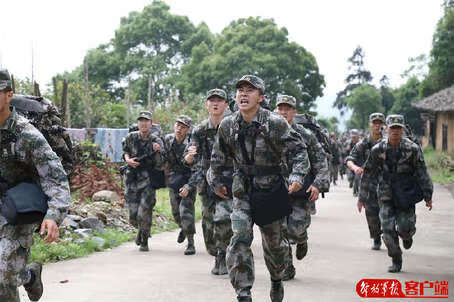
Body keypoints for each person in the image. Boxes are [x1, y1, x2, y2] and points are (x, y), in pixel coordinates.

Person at [209, 75, 310, 302]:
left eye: (250, 90)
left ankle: (276, 279)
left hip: (271, 189)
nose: (244, 94)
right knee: (240, 237)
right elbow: (216, 159)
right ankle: (243, 292)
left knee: (274, 245)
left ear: (261, 97)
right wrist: (214, 181)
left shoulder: (275, 123)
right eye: (240, 90)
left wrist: (297, 175)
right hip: (242, 191)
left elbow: (299, 152)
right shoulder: (228, 125)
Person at [0, 69, 71, 301]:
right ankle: (29, 276)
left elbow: (55, 177)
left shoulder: (26, 134)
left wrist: (53, 214)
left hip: (17, 210)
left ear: (9, 94)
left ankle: (24, 275)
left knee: (3, 276)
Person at [359, 114, 433, 273]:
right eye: (392, 128)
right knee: (387, 230)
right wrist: (362, 197)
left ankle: (407, 236)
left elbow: (422, 172)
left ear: (403, 130)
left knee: (405, 228)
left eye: (398, 128)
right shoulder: (377, 149)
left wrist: (428, 195)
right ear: (386, 129)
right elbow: (368, 173)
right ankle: (396, 258)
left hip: (406, 195)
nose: (395, 131)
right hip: (386, 196)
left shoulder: (412, 149)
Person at [275, 95, 329, 281]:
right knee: (279, 232)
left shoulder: (306, 135)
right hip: (275, 191)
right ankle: (287, 267)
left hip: (301, 192)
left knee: (295, 230)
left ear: (294, 112)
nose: (283, 112)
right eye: (280, 108)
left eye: (287, 109)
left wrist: (317, 184)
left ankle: (302, 239)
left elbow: (321, 162)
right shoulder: (268, 133)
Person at [184, 88, 234, 275]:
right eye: (212, 100)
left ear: (226, 105)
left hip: (226, 183)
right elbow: (190, 154)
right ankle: (216, 251)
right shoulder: (200, 130)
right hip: (206, 184)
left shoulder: (232, 127)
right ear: (207, 105)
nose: (215, 103)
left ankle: (222, 255)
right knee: (208, 223)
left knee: (223, 219)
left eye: (219, 100)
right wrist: (189, 157)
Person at [122, 111, 165, 252]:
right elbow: (125, 151)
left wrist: (158, 151)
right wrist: (128, 160)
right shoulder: (131, 137)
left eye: (146, 121)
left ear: (151, 124)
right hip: (131, 178)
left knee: (144, 212)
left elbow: (162, 161)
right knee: (133, 215)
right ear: (138, 123)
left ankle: (144, 240)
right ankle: (141, 230)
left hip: (148, 179)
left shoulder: (156, 140)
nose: (143, 123)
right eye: (141, 121)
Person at [345, 113, 385, 250]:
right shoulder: (363, 144)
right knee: (372, 215)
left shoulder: (388, 142)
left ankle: (392, 233)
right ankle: (376, 238)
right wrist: (355, 167)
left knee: (388, 213)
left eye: (380, 122)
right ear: (370, 124)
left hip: (387, 184)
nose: (377, 125)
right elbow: (349, 159)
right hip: (369, 184)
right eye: (375, 122)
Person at [164, 115, 196, 255]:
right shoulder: (168, 139)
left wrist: (189, 186)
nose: (179, 129)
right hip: (174, 178)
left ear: (188, 130)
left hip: (189, 177)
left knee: (186, 211)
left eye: (183, 127)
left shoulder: (192, 143)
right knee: (176, 212)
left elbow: (197, 168)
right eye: (177, 125)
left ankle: (190, 243)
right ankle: (183, 228)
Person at [346, 129, 360, 195]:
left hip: (358, 164)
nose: (353, 138)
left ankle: (355, 191)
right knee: (350, 177)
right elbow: (345, 153)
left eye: (355, 137)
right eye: (352, 137)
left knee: (357, 178)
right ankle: (352, 184)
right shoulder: (349, 143)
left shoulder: (361, 143)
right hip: (350, 163)